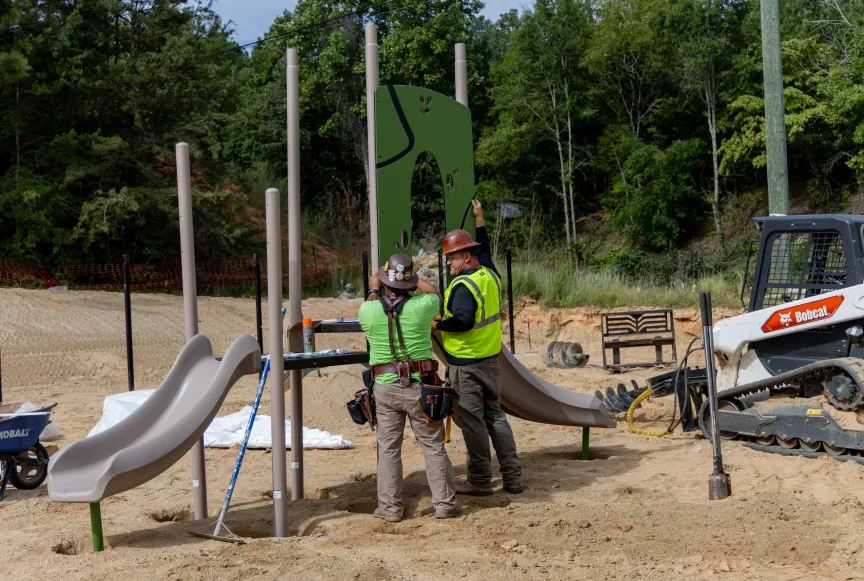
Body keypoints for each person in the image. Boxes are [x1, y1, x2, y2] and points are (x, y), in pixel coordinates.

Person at [358, 253, 462, 522]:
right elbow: (435, 293)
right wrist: (414, 280)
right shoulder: (423, 305)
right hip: (421, 387)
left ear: (384, 282)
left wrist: (374, 289)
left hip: (385, 387)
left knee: (388, 449)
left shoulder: (367, 310)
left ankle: (390, 508)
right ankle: (445, 504)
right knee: (433, 446)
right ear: (409, 283)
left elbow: (371, 302)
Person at [433, 200, 523, 496]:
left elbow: (462, 321)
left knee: (472, 424)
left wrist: (438, 325)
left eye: (453, 258)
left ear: (466, 257)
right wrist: (479, 217)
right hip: (490, 361)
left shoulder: (463, 287)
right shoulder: (490, 275)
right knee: (496, 417)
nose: (449, 264)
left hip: (466, 365)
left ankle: (481, 481)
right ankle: (513, 478)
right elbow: (485, 251)